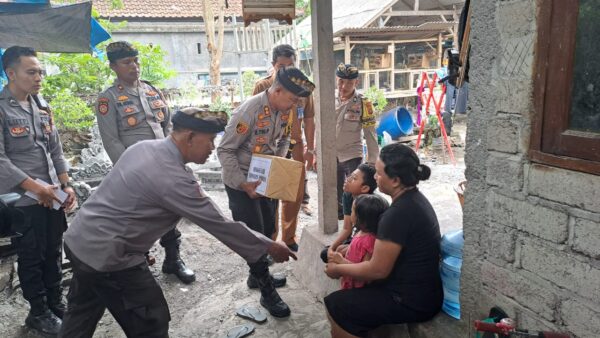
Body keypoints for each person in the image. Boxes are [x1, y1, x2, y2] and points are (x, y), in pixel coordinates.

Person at [59, 107, 296, 338]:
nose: (212, 148)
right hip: (110, 258)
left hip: (80, 242)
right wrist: (269, 245)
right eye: (210, 140)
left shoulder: (143, 148)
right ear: (190, 137)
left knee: (81, 314)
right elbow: (220, 223)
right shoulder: (173, 178)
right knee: (151, 322)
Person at [95, 41, 195, 284]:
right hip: (136, 171)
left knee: (169, 212)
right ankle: (138, 267)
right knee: (138, 220)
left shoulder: (152, 91)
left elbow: (169, 127)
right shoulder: (108, 99)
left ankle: (173, 260)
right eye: (127, 62)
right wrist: (129, 171)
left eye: (136, 61)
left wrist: (176, 158)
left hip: (164, 165)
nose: (134, 66)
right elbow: (111, 141)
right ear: (113, 67)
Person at [217, 66, 314, 317]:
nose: (294, 105)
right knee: (254, 237)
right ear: (277, 90)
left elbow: (283, 140)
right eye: (292, 99)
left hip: (264, 180)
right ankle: (267, 292)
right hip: (241, 183)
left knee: (268, 228)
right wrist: (243, 183)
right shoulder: (249, 110)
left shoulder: (284, 109)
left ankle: (255, 276)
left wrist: (275, 166)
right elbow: (224, 150)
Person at [324, 143, 443, 338]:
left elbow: (377, 270)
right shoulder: (413, 200)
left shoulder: (397, 214)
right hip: (420, 291)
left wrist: (338, 268)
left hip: (411, 299)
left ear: (395, 180)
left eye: (378, 174)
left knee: (336, 306)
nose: (375, 177)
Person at [0, 46, 77, 335]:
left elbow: (56, 151)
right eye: (31, 71)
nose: (38, 77)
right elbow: (1, 160)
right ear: (11, 73)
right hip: (23, 200)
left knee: (52, 251)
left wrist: (66, 185)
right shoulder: (2, 109)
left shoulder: (42, 108)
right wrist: (38, 188)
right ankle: (38, 311)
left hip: (52, 196)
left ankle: (56, 303)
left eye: (40, 71)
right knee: (31, 256)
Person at [252, 44, 316, 251]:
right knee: (269, 195)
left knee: (293, 193)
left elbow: (309, 119)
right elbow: (253, 120)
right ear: (273, 65)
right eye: (281, 66)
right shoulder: (263, 87)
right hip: (268, 149)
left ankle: (288, 238)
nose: (286, 70)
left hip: (295, 147)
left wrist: (311, 148)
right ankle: (270, 240)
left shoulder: (303, 89)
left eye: (290, 65)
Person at [335, 63, 379, 220]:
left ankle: (357, 222)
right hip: (332, 153)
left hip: (352, 154)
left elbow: (370, 133)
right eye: (340, 81)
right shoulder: (327, 99)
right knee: (335, 193)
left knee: (356, 193)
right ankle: (341, 221)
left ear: (356, 83)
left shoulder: (363, 103)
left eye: (349, 83)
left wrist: (373, 161)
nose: (344, 86)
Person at [329, 194, 389, 290]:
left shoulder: (369, 241)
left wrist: (341, 261)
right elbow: (355, 248)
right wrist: (345, 249)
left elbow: (365, 271)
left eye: (352, 211)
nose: (350, 213)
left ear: (361, 219)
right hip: (349, 277)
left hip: (357, 285)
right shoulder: (361, 232)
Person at [320, 163, 377, 263]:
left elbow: (370, 237)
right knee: (326, 254)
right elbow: (347, 228)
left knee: (343, 254)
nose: (348, 179)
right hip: (355, 237)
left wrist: (351, 247)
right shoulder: (348, 195)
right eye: (350, 175)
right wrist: (332, 248)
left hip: (366, 242)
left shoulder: (370, 204)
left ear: (365, 188)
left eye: (354, 178)